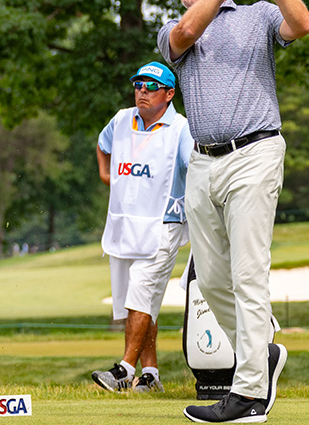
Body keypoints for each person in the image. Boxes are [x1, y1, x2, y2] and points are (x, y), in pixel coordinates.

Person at [155, 0, 309, 422]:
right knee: (212, 280)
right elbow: (186, 31)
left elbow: (302, 24)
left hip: (256, 152)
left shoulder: (259, 15)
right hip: (202, 162)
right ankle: (262, 354)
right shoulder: (172, 29)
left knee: (247, 272)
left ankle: (247, 395)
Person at [90, 62, 192, 394]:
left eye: (150, 86)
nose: (142, 91)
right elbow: (102, 145)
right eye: (138, 85)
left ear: (169, 93)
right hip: (125, 223)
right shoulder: (121, 120)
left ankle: (123, 369)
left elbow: (195, 170)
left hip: (164, 223)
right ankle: (150, 374)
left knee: (141, 292)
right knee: (137, 302)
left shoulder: (180, 128)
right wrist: (106, 175)